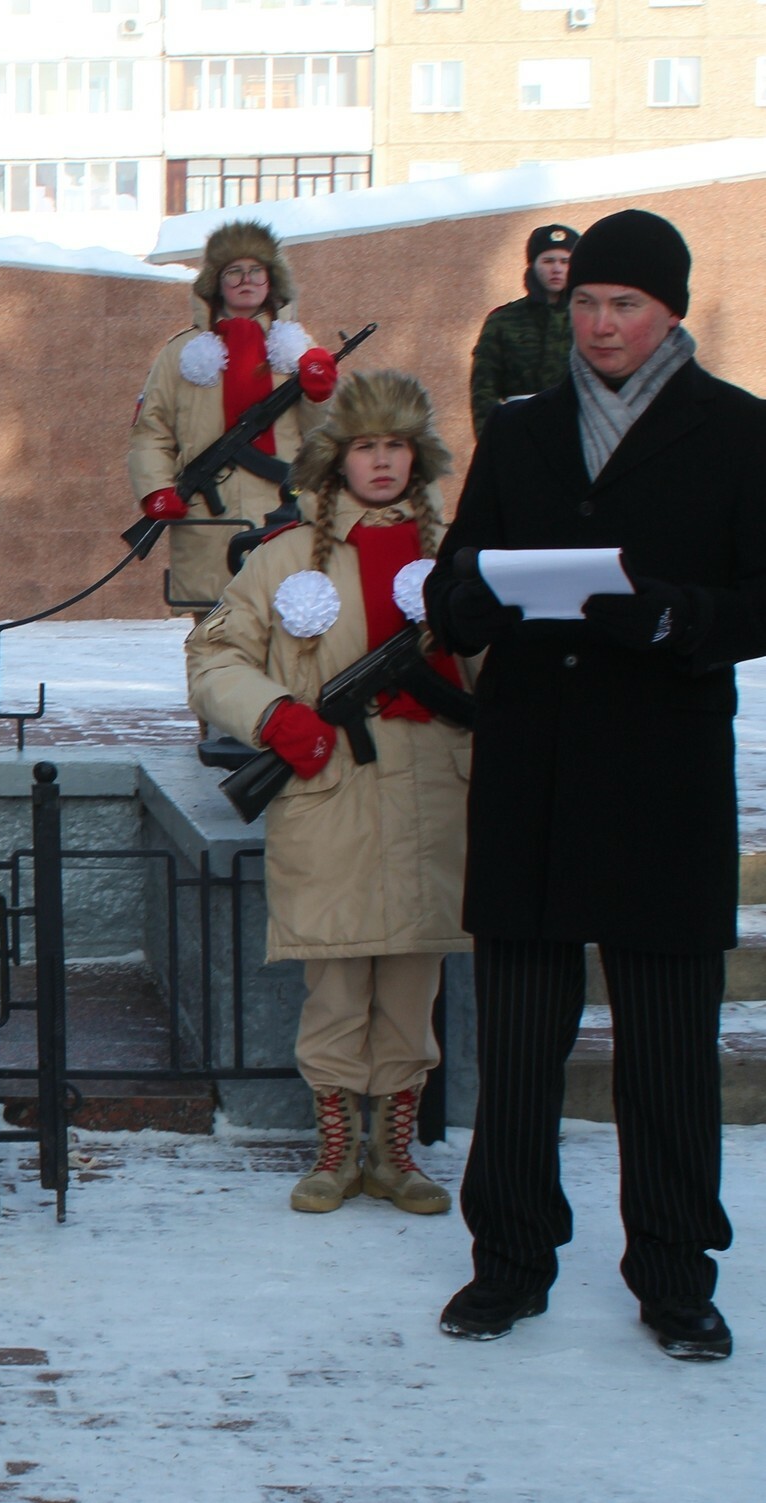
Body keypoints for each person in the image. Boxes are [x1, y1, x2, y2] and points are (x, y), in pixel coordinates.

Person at [424, 210, 756, 1361]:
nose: (603, 323)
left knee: (666, 1054)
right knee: (518, 1047)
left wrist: (675, 614)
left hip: (662, 777)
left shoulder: (736, 432)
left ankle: (674, 1276)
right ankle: (508, 1265)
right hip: (534, 770)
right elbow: (459, 564)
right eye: (588, 304)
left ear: (670, 312)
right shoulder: (522, 430)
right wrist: (459, 600)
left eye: (626, 304)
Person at [188, 372, 469, 1217]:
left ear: (416, 456)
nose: (382, 463)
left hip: (432, 798)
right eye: (366, 447)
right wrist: (276, 716)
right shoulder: (283, 554)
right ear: (337, 457)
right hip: (333, 789)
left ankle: (396, 1151)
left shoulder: (456, 552)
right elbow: (214, 658)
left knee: (413, 987)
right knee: (338, 988)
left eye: (396, 446)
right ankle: (338, 1148)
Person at [128, 219, 340, 616]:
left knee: (285, 638)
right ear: (216, 282)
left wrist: (321, 394)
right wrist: (155, 488)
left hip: (284, 513)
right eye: (234, 271)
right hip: (209, 520)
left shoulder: (299, 349)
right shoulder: (179, 353)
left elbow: (327, 438)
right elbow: (150, 432)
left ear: (271, 279)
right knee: (212, 641)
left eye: (256, 270)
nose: (247, 280)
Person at [468, 223, 576, 435]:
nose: (557, 269)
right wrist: (492, 443)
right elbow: (484, 390)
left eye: (565, 261)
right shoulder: (503, 320)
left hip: (577, 433)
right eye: (548, 261)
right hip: (519, 432)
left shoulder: (588, 318)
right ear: (532, 265)